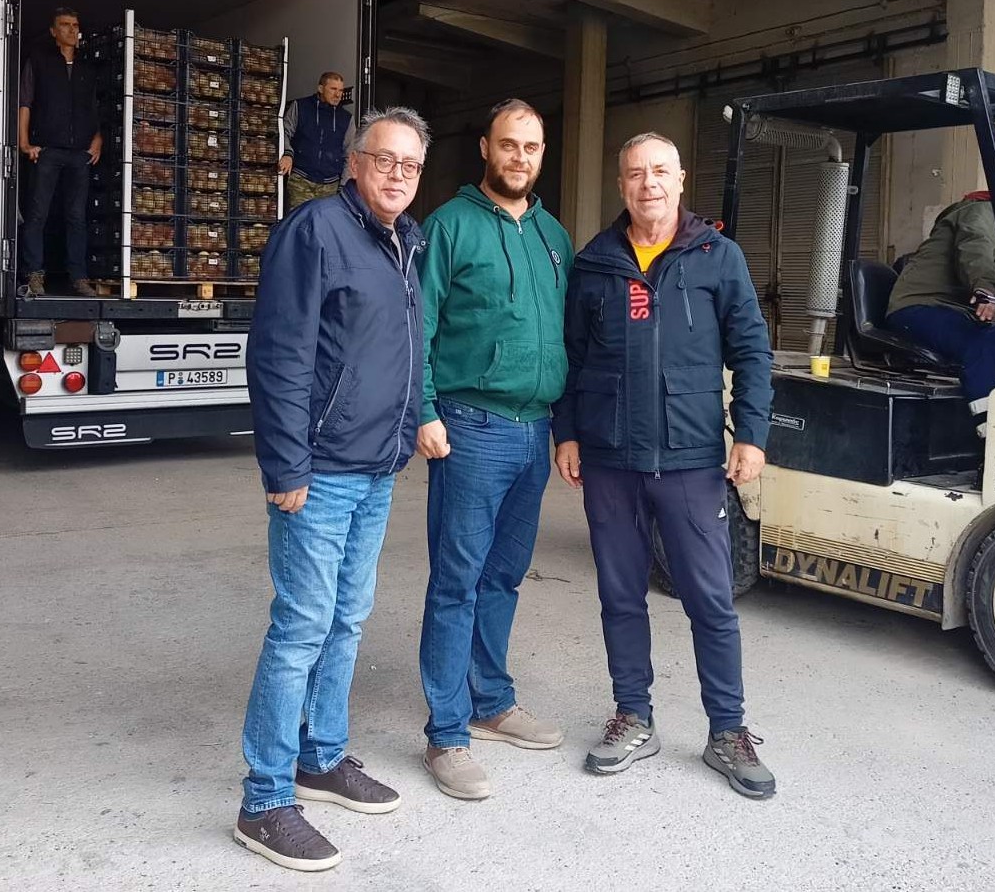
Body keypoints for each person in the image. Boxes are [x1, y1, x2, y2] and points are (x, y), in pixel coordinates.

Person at [552, 132, 776, 800]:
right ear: (621, 184)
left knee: (710, 599)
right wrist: (567, 433)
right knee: (620, 594)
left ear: (680, 180)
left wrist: (752, 434)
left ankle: (727, 730)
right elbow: (571, 356)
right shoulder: (595, 263)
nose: (647, 183)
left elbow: (752, 350)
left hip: (689, 458)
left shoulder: (717, 256)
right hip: (610, 457)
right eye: (634, 173)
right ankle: (634, 716)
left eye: (659, 172)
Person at [235, 106, 430, 873]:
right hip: (319, 471)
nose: (396, 174)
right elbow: (278, 353)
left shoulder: (406, 240)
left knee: (347, 620)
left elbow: (404, 348)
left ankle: (320, 756)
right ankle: (264, 799)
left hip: (375, 467)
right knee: (302, 627)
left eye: (410, 165)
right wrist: (286, 465)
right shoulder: (315, 231)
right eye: (384, 159)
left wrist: (406, 431)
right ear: (354, 162)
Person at [416, 99, 572, 800]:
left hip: (534, 430)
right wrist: (424, 412)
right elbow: (419, 326)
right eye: (509, 144)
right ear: (485, 147)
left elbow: (566, 336)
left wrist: (565, 427)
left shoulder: (553, 236)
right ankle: (447, 733)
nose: (520, 157)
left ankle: (491, 702)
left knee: (503, 577)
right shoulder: (449, 226)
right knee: (457, 580)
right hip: (471, 425)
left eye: (531, 147)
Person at [885, 192, 995, 425]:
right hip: (919, 305)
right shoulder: (983, 211)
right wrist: (984, 289)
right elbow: (975, 245)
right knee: (979, 346)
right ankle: (989, 428)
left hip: (957, 314)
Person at [17, 7, 100, 298]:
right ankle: (34, 274)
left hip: (79, 153)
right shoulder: (39, 62)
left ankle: (79, 277)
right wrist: (24, 142)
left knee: (77, 216)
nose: (71, 30)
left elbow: (94, 109)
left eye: (75, 25)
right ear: (54, 32)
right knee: (38, 214)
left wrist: (98, 140)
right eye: (65, 25)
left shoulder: (87, 69)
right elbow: (25, 102)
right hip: (48, 149)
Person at [278, 72, 353, 212]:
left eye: (341, 90)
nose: (338, 94)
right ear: (320, 88)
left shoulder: (346, 118)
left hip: (330, 186)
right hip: (301, 180)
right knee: (299, 221)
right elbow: (284, 133)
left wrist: (343, 187)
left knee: (324, 224)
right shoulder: (300, 106)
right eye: (333, 89)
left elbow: (349, 155)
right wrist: (287, 154)